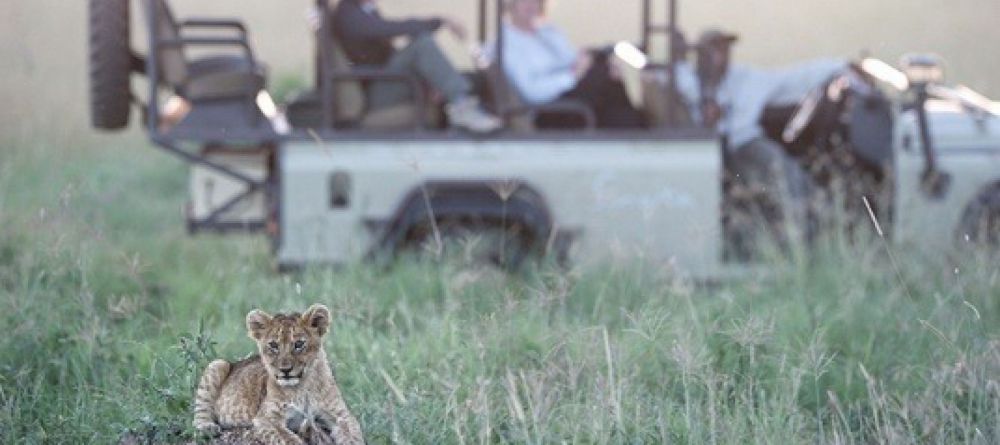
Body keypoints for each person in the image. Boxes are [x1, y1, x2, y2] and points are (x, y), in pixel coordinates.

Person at [681, 29, 849, 257]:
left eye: (725, 49)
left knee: (785, 174)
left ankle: (804, 243)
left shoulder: (745, 79)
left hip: (744, 144)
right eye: (713, 50)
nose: (721, 56)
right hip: (706, 152)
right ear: (699, 55)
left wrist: (841, 66)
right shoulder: (686, 81)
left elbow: (792, 78)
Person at [330, 0, 502, 133]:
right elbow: (390, 28)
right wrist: (440, 21)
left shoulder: (365, 10)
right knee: (422, 44)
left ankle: (484, 108)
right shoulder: (348, 14)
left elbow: (388, 51)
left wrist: (428, 81)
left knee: (471, 78)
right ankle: (462, 106)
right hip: (376, 92)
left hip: (387, 82)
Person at [494, 0, 644, 129]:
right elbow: (533, 92)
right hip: (549, 109)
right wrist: (572, 76)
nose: (531, 5)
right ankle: (637, 127)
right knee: (602, 77)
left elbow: (570, 60)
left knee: (606, 70)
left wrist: (589, 60)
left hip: (570, 94)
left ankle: (635, 123)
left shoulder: (548, 32)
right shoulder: (506, 44)